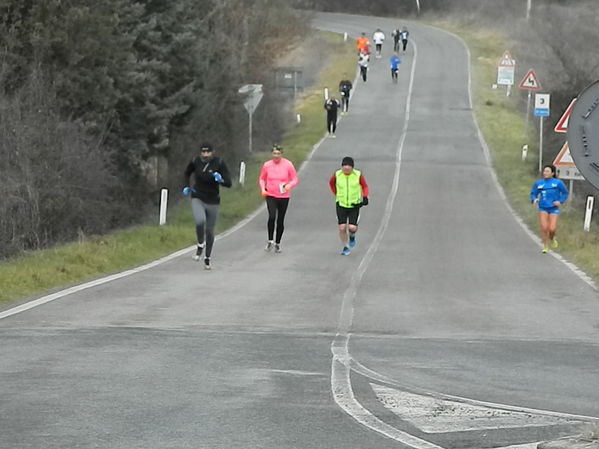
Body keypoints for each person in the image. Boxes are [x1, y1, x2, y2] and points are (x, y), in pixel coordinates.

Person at [183, 143, 232, 270]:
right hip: (197, 196)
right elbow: (187, 173)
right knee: (200, 220)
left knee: (210, 231)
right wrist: (186, 186)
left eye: (208, 152)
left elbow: (229, 183)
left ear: (212, 152)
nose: (205, 155)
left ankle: (207, 258)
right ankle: (200, 243)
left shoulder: (219, 163)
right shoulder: (195, 161)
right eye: (203, 153)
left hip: (213, 200)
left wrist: (221, 180)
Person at [258, 145, 299, 253]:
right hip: (270, 194)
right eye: (274, 154)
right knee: (272, 216)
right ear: (272, 154)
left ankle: (278, 243)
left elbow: (295, 179)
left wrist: (290, 185)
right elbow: (262, 178)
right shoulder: (267, 165)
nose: (276, 156)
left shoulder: (288, 164)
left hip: (283, 196)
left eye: (278, 154)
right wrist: (263, 188)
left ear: (281, 154)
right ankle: (270, 240)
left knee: (280, 220)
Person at [328, 156, 369, 256]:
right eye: (344, 165)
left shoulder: (358, 175)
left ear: (352, 167)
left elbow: (365, 186)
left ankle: (352, 235)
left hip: (354, 204)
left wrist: (365, 196)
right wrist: (336, 193)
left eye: (348, 166)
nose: (346, 168)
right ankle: (345, 247)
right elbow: (331, 184)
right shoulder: (337, 174)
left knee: (352, 228)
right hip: (341, 204)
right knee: (342, 228)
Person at [530, 164, 569, 253]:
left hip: (553, 208)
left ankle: (552, 238)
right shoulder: (539, 183)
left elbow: (565, 193)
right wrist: (534, 199)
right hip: (543, 207)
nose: (545, 173)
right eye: (544, 171)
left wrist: (560, 201)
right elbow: (533, 193)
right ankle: (545, 246)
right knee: (544, 227)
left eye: (547, 171)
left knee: (552, 228)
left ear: (552, 173)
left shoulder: (558, 183)